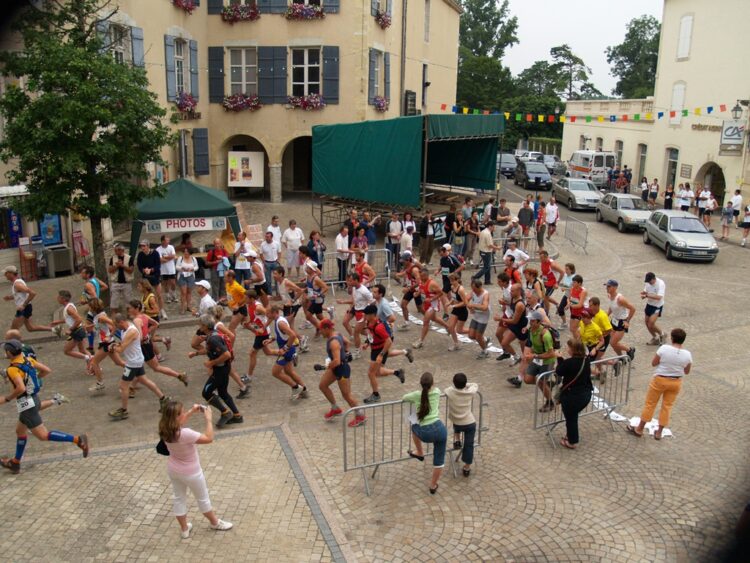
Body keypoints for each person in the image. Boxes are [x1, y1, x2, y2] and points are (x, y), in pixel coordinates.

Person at [0, 340, 89, 474]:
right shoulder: (28, 359)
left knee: (43, 435)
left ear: (9, 352)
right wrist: (34, 379)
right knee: (20, 430)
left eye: (5, 350)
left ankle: (78, 440)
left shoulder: (13, 369)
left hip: (27, 404)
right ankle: (15, 463)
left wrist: (6, 399)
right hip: (33, 399)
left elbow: (20, 388)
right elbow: (46, 370)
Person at [159, 401, 233, 539]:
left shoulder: (164, 428)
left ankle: (184, 529)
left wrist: (191, 411)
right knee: (203, 499)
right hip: (192, 473)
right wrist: (209, 420)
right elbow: (209, 438)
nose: (184, 414)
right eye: (182, 412)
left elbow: (177, 422)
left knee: (179, 498)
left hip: (174, 470)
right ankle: (215, 523)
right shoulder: (185, 434)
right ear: (176, 417)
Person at [627, 328, 691, 440]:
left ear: (672, 338)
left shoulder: (664, 348)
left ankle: (640, 428)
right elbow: (687, 371)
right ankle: (659, 432)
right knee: (667, 407)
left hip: (660, 379)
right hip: (676, 382)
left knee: (650, 404)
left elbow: (654, 363)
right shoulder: (687, 355)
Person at [108, 313, 169, 420]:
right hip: (136, 360)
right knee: (145, 380)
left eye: (116, 325)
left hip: (133, 363)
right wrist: (115, 345)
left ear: (121, 322)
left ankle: (124, 410)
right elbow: (122, 344)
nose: (116, 327)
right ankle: (163, 399)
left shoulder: (131, 331)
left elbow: (121, 349)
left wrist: (112, 347)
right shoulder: (124, 330)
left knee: (123, 386)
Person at [402, 372, 447, 494]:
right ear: (433, 383)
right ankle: (433, 485)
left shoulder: (417, 395)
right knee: (439, 460)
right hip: (440, 429)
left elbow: (404, 397)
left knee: (414, 426)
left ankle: (420, 451)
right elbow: (436, 390)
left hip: (425, 432)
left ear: (421, 384)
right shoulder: (437, 391)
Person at [195, 315, 243, 427]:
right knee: (223, 393)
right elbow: (210, 350)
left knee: (206, 393)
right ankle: (237, 416)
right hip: (225, 368)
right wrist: (195, 353)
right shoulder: (213, 334)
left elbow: (226, 354)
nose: (199, 326)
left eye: (201, 324)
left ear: (206, 326)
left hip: (220, 370)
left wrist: (211, 363)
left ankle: (225, 413)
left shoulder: (213, 338)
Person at [317, 319, 365, 426]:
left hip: (342, 369)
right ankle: (335, 408)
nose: (320, 332)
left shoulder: (333, 342)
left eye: (321, 330)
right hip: (336, 368)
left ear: (327, 328)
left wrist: (327, 365)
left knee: (346, 395)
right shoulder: (337, 333)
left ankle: (360, 415)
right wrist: (346, 352)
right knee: (323, 385)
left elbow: (337, 361)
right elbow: (347, 342)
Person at [507, 311, 557, 413]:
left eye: (532, 321)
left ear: (539, 322)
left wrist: (534, 355)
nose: (530, 322)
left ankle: (550, 402)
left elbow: (551, 354)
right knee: (528, 379)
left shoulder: (545, 335)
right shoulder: (531, 329)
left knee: (541, 382)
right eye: (530, 320)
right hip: (537, 359)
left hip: (547, 361)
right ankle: (547, 385)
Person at [362, 304, 412, 403]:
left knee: (371, 373)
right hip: (375, 349)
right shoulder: (369, 321)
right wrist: (367, 343)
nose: (364, 316)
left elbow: (388, 341)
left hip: (379, 350)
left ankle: (376, 395)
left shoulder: (378, 327)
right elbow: (371, 335)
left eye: (366, 314)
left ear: (372, 315)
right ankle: (397, 372)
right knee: (377, 372)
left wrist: (381, 354)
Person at [265, 305, 308, 400]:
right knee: (289, 371)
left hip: (287, 351)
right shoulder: (278, 320)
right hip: (289, 349)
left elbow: (292, 335)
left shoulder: (280, 323)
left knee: (275, 372)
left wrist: (285, 348)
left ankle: (295, 387)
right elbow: (283, 335)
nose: (266, 315)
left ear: (274, 312)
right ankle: (304, 390)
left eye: (267, 313)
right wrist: (272, 339)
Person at [556, 339, 593, 450]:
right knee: (573, 416)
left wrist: (559, 357)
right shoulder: (586, 360)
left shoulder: (569, 363)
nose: (567, 349)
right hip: (585, 394)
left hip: (572, 397)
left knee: (571, 418)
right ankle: (570, 435)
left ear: (573, 349)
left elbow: (559, 371)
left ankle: (572, 441)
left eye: (569, 347)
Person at [444, 373, 478, 477]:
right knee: (469, 445)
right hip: (469, 423)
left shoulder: (450, 391)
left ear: (454, 383)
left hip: (457, 422)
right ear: (464, 384)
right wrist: (465, 384)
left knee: (456, 421)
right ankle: (467, 467)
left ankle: (457, 440)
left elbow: (447, 388)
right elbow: (475, 385)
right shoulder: (470, 392)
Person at [87, 298, 122, 393]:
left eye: (89, 305)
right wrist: (90, 327)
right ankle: (135, 370)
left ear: (93, 307)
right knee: (118, 363)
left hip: (106, 343)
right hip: (107, 342)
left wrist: (110, 335)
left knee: (94, 362)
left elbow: (114, 324)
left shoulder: (101, 317)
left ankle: (100, 383)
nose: (88, 307)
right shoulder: (98, 316)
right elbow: (101, 326)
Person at [3, 265, 52, 333]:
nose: (5, 275)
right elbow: (20, 294)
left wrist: (23, 305)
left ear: (11, 273)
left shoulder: (17, 284)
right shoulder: (17, 282)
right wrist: (10, 297)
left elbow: (33, 293)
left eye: (6, 273)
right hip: (27, 308)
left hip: (24, 309)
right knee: (31, 328)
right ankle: (54, 329)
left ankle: (14, 343)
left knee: (12, 332)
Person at [50, 290, 91, 366]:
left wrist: (70, 329)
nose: (57, 298)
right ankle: (92, 366)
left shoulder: (69, 308)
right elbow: (69, 319)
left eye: (58, 297)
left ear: (62, 298)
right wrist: (58, 322)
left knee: (67, 351)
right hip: (80, 330)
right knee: (82, 350)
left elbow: (79, 319)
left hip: (77, 331)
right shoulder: (68, 307)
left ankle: (89, 358)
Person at [338, 272, 373, 358]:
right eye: (348, 281)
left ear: (356, 280)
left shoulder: (364, 291)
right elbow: (354, 300)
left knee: (356, 332)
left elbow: (372, 301)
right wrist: (344, 303)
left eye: (351, 281)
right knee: (358, 329)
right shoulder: (354, 288)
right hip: (356, 310)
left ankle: (358, 352)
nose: (349, 282)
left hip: (362, 313)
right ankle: (371, 336)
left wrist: (369, 314)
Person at [411, 268, 448, 349]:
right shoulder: (421, 281)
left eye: (421, 276)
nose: (420, 278)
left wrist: (431, 299)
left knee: (426, 321)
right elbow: (421, 290)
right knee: (434, 318)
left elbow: (441, 293)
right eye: (420, 276)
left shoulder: (432, 283)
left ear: (426, 276)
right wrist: (417, 294)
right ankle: (447, 326)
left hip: (433, 305)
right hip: (426, 304)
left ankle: (420, 341)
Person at [604, 280, 636, 361]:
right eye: (606, 286)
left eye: (609, 286)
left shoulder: (620, 299)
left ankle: (629, 350)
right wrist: (607, 315)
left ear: (615, 288)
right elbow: (611, 306)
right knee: (613, 344)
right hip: (614, 320)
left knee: (613, 342)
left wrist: (627, 321)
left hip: (622, 322)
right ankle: (621, 357)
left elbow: (632, 308)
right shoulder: (609, 295)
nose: (606, 288)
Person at [497, 283, 526, 365]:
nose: (510, 292)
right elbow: (512, 305)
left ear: (519, 291)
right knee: (504, 343)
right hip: (515, 326)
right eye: (510, 291)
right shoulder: (514, 298)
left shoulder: (520, 304)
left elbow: (514, 321)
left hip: (521, 328)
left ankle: (528, 366)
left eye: (512, 291)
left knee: (525, 351)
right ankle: (517, 357)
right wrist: (505, 303)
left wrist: (501, 319)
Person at [395, 253, 423, 329]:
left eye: (403, 261)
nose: (402, 263)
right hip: (411, 290)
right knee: (403, 305)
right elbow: (404, 273)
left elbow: (418, 283)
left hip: (416, 291)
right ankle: (407, 323)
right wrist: (397, 274)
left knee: (420, 309)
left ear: (408, 260)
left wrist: (408, 288)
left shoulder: (414, 269)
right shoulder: (407, 267)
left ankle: (430, 319)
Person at [136, 240, 164, 316]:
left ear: (148, 246)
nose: (142, 248)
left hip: (155, 276)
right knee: (148, 294)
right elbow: (139, 265)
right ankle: (150, 309)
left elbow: (158, 265)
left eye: (144, 246)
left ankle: (161, 310)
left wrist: (151, 270)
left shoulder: (155, 253)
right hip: (146, 277)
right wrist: (144, 270)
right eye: (141, 246)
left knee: (159, 295)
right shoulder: (140, 255)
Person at [466, 279, 491, 359]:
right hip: (476, 316)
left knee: (477, 337)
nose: (473, 291)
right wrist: (469, 307)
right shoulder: (473, 291)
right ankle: (485, 339)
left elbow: (484, 307)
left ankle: (485, 352)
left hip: (483, 317)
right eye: (472, 289)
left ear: (479, 287)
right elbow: (465, 299)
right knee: (470, 335)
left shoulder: (485, 294)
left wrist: (473, 305)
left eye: (474, 289)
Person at [108, 244, 135, 313]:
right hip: (115, 283)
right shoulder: (113, 258)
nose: (115, 252)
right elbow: (110, 270)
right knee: (114, 302)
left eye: (116, 250)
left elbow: (131, 270)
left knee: (129, 301)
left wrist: (122, 266)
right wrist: (116, 266)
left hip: (126, 283)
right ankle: (114, 317)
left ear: (121, 250)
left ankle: (129, 315)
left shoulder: (129, 258)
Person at [641, 272, 666, 345]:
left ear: (654, 279)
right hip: (649, 304)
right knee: (646, 322)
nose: (648, 282)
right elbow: (645, 291)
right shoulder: (648, 283)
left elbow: (659, 297)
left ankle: (662, 334)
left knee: (651, 323)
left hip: (657, 306)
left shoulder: (661, 284)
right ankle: (655, 337)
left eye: (649, 281)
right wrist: (643, 294)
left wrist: (646, 295)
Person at [446, 273, 469, 351]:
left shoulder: (461, 289)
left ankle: (475, 332)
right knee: (451, 327)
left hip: (462, 311)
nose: (451, 282)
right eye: (450, 280)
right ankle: (456, 344)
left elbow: (465, 302)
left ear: (457, 280)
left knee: (460, 330)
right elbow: (454, 298)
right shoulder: (452, 287)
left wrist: (454, 306)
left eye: (452, 280)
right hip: (456, 310)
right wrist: (449, 303)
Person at [176, 247, 198, 315]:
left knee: (189, 292)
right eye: (184, 251)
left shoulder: (193, 258)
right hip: (182, 276)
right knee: (183, 292)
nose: (185, 253)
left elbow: (197, 267)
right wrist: (182, 268)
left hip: (190, 276)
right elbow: (176, 267)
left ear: (189, 253)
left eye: (187, 252)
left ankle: (188, 306)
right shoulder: (180, 258)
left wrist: (192, 269)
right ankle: (182, 307)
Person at [157, 235, 178, 305]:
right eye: (167, 240)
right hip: (163, 270)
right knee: (165, 283)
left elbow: (174, 256)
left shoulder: (171, 247)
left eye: (168, 240)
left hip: (171, 269)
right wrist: (169, 258)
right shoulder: (158, 249)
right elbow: (160, 260)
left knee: (173, 283)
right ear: (162, 241)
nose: (168, 242)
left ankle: (173, 294)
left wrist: (165, 257)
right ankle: (168, 296)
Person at [568, 274, 588, 339]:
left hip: (580, 312)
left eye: (574, 282)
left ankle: (578, 343)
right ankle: (578, 341)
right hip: (573, 311)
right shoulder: (572, 288)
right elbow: (568, 298)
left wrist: (570, 305)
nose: (572, 283)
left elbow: (580, 305)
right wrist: (568, 303)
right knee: (571, 329)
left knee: (574, 328)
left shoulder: (583, 291)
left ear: (579, 283)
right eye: (572, 282)